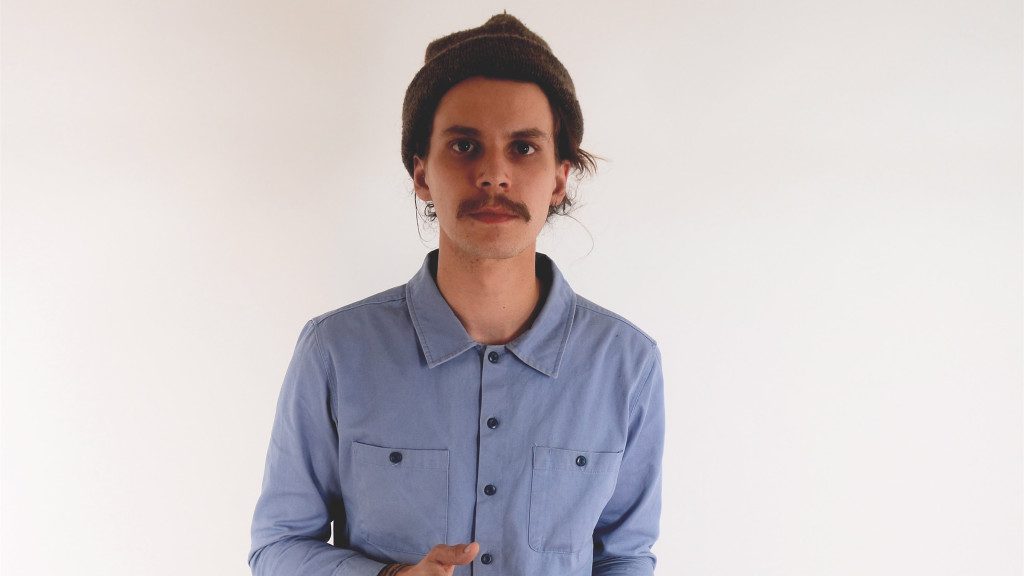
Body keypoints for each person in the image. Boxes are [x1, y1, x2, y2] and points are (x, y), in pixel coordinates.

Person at [248, 12, 664, 576]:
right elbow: (277, 547)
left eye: (523, 148)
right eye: (465, 145)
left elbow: (625, 557)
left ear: (560, 178)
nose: (494, 174)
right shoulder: (336, 351)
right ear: (422, 174)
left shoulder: (627, 364)